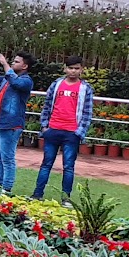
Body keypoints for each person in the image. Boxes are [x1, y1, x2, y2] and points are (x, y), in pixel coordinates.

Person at [32, 56, 95, 200]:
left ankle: (66, 198)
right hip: (53, 130)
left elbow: (87, 112)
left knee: (68, 167)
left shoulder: (85, 88)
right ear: (65, 68)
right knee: (46, 164)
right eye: (70, 68)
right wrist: (44, 127)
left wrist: (79, 132)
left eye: (76, 68)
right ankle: (37, 194)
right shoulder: (56, 84)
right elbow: (47, 105)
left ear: (81, 70)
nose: (73, 71)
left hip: (71, 132)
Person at [0, 51, 35, 194]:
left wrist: (4, 63)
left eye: (16, 62)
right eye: (12, 61)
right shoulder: (6, 78)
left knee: (7, 159)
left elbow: (15, 82)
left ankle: (6, 189)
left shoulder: (26, 81)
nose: (12, 63)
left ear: (25, 66)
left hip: (11, 124)